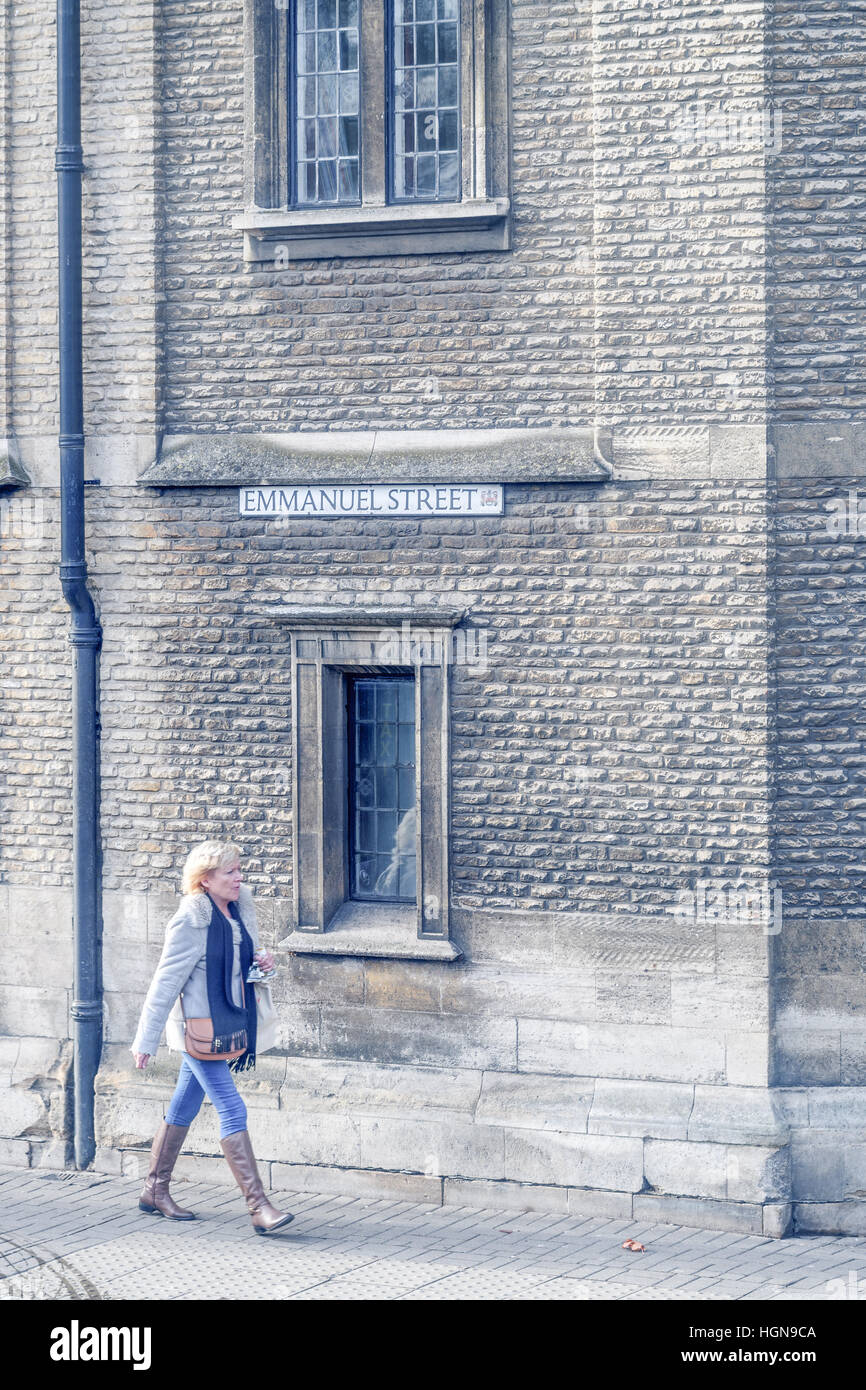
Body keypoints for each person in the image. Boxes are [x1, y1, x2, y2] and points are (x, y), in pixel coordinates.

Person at [130, 839, 294, 1236]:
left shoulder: (239, 911)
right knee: (233, 1109)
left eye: (239, 870)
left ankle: (154, 1189)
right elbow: (165, 983)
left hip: (227, 1025)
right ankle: (259, 1207)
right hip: (200, 1032)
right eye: (230, 872)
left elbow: (243, 971)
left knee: (183, 1105)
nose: (239, 878)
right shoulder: (191, 921)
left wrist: (263, 964)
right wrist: (145, 1040)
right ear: (205, 880)